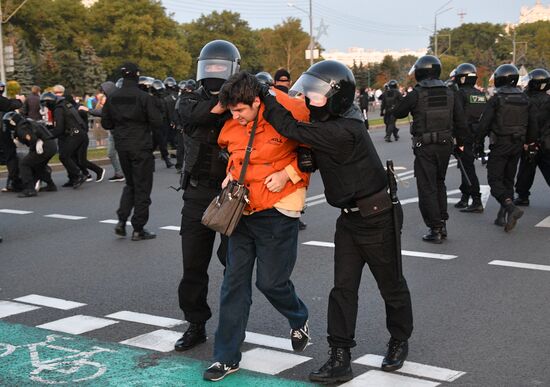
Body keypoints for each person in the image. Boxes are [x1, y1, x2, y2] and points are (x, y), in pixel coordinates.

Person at [261, 60, 413, 384]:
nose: (308, 100)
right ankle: (340, 358)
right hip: (349, 220)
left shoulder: (347, 129)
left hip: (378, 218)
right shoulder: (331, 127)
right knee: (343, 291)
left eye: (316, 95)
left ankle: (399, 339)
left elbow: (291, 128)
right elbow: (312, 146)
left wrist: (266, 97)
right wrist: (308, 156)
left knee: (391, 285)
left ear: (338, 98)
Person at [203, 71, 311, 382]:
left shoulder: (288, 113)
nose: (234, 117)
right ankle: (225, 357)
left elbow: (313, 149)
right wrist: (230, 174)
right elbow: (233, 153)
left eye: (239, 110)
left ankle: (299, 317)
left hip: (278, 210)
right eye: (230, 111)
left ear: (255, 101)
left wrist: (288, 174)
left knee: (271, 282)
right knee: (233, 285)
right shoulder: (231, 127)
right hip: (242, 211)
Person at [174, 40, 236, 352]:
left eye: (220, 69)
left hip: (231, 193)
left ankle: (231, 325)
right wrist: (224, 106)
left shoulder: (244, 102)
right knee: (193, 265)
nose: (213, 74)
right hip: (197, 191)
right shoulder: (188, 101)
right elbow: (197, 115)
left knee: (233, 264)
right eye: (209, 67)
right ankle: (195, 323)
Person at [393, 55, 468, 243]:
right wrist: (461, 144)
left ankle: (435, 228)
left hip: (425, 146)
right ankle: (442, 223)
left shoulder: (417, 93)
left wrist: (404, 97)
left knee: (427, 188)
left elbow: (398, 112)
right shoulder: (450, 92)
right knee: (439, 183)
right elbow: (461, 121)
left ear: (421, 72)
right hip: (445, 145)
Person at [101, 62, 162, 241]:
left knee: (130, 184)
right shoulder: (144, 97)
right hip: (141, 146)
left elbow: (106, 123)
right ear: (137, 75)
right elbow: (157, 122)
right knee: (142, 187)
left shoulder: (113, 97)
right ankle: (138, 228)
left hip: (122, 145)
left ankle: (121, 221)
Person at [476, 64, 538, 231]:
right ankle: (502, 216)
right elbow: (533, 125)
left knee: (494, 180)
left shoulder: (497, 99)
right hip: (518, 144)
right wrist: (529, 142)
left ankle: (510, 208)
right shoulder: (525, 99)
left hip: (500, 143)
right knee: (509, 179)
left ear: (500, 78)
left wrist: (478, 144)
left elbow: (484, 124)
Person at [452, 63, 486, 213]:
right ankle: (465, 197)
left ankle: (476, 200)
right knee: (465, 166)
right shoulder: (479, 94)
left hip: (464, 135)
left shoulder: (459, 95)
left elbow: (458, 119)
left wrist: (457, 141)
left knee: (467, 168)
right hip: (476, 135)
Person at [514, 68, 550, 206]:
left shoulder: (526, 99)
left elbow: (525, 122)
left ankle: (523, 196)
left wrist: (527, 141)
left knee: (525, 171)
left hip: (530, 142)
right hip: (547, 142)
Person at [40, 88, 88, 189]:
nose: (47, 108)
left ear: (49, 102)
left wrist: (46, 135)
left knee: (64, 156)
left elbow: (59, 129)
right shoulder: (63, 104)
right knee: (69, 156)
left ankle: (79, 175)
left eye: (47, 105)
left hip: (74, 133)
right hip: (77, 132)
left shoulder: (58, 109)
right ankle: (73, 178)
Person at [3, 111, 57, 197]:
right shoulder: (27, 121)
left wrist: (33, 149)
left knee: (24, 164)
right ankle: (51, 185)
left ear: (12, 122)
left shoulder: (21, 128)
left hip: (43, 147)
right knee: (38, 166)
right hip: (50, 145)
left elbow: (32, 139)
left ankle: (29, 189)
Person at [79, 82, 125, 182]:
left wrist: (88, 110)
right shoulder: (111, 100)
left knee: (124, 153)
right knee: (111, 153)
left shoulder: (116, 101)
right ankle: (119, 173)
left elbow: (103, 113)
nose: (103, 93)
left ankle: (124, 172)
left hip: (120, 132)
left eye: (104, 91)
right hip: (114, 131)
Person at [0, 82, 24, 192]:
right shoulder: (2, 101)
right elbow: (10, 104)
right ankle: (14, 182)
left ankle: (12, 181)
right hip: (3, 132)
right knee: (11, 156)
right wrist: (20, 100)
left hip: (4, 131)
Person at [150, 79, 174, 168]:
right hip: (156, 124)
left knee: (158, 142)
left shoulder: (161, 100)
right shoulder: (152, 100)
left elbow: (166, 112)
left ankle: (165, 159)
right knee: (160, 142)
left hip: (162, 123)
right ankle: (166, 160)